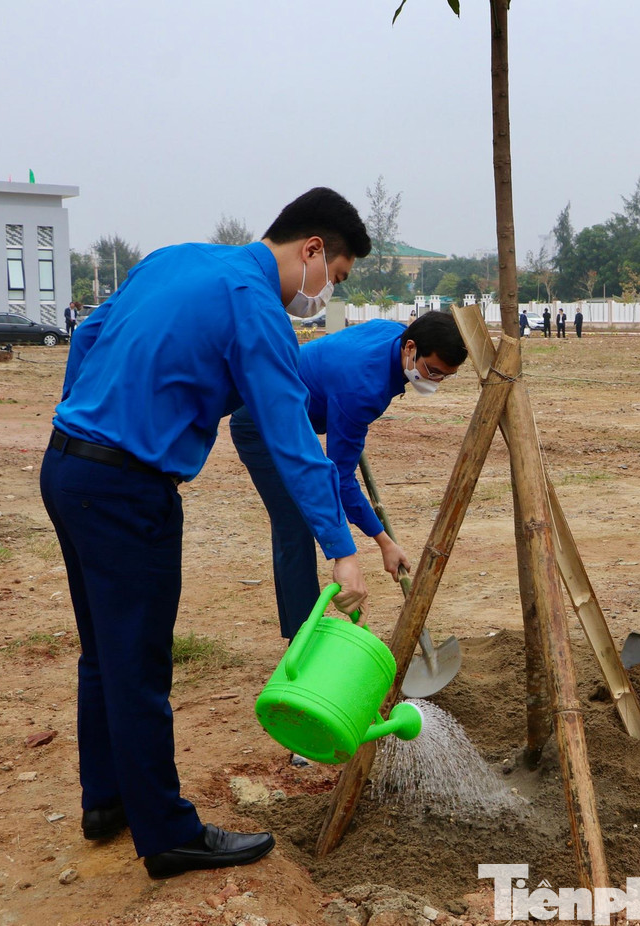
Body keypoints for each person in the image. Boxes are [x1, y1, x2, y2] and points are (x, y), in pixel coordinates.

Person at [40, 187, 372, 879]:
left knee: (103, 652)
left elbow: (89, 336)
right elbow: (290, 437)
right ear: (313, 251)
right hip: (130, 491)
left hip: (68, 467)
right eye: (333, 278)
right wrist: (341, 549)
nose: (323, 295)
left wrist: (87, 412)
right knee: (138, 667)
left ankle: (106, 802)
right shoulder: (256, 307)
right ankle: (166, 835)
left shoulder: (177, 259)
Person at [231, 310, 466, 643]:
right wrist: (383, 541)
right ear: (410, 348)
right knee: (296, 521)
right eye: (433, 371)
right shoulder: (363, 388)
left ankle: (303, 635)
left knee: (307, 513)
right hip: (260, 420)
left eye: (446, 376)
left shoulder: (394, 334)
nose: (435, 382)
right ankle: (303, 641)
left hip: (299, 408)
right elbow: (339, 479)